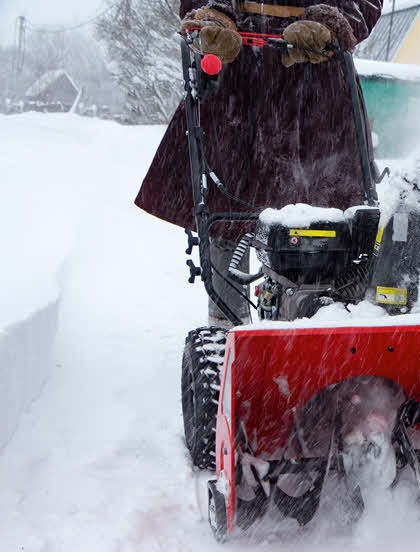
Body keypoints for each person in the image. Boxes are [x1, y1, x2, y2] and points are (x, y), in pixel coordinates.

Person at [135, 0, 383, 324]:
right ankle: (227, 328)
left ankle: (318, 321)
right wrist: (214, 13)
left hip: (315, 67)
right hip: (238, 67)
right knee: (225, 208)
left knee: (327, 215)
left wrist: (330, 22)